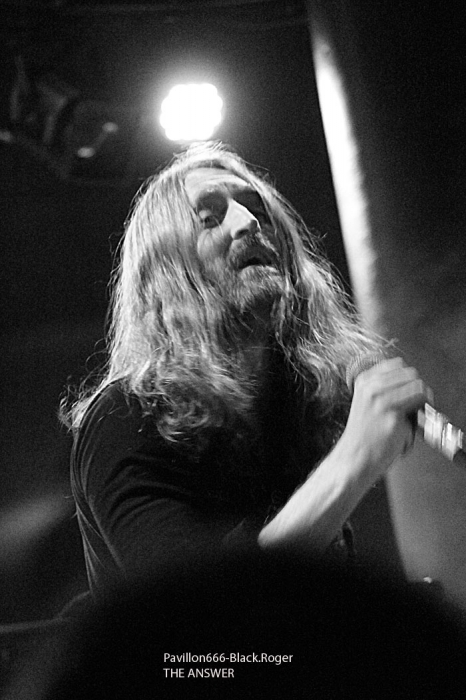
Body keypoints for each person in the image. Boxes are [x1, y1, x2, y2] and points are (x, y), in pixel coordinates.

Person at [62, 141, 432, 599]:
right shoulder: (125, 417)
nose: (249, 222)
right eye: (210, 216)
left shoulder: (291, 413)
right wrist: (355, 458)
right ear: (170, 269)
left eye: (256, 209)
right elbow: (196, 609)